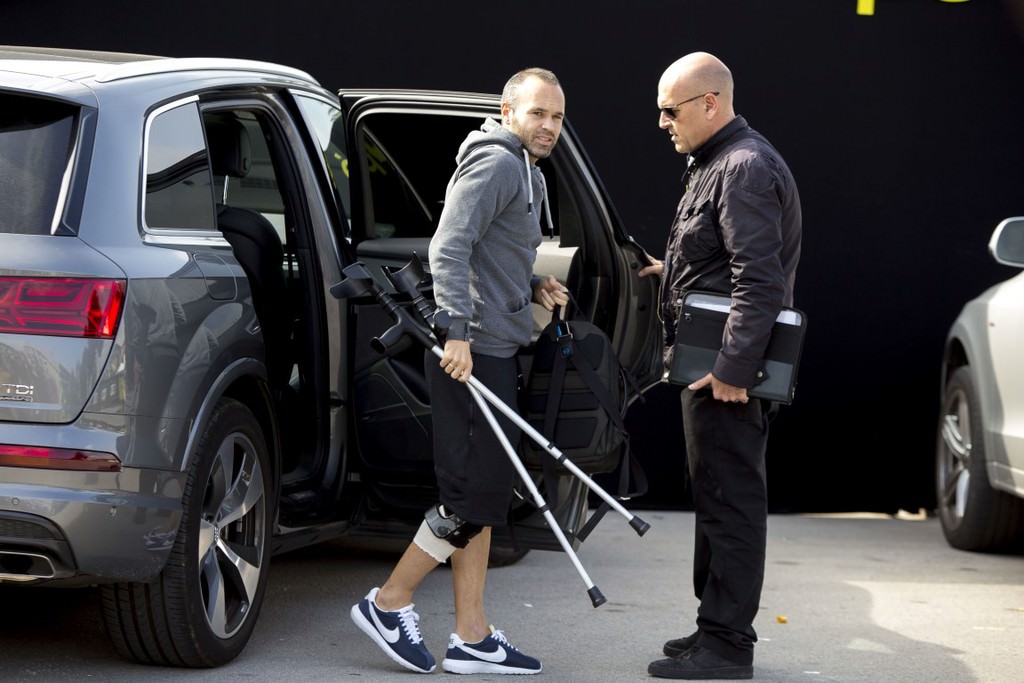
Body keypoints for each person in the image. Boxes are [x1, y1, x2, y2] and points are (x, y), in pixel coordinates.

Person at [349, 67, 569, 676]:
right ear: (507, 110)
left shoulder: (525, 166)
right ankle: (388, 603)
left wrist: (530, 283)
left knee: (483, 496)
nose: (549, 126)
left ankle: (471, 636)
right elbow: (449, 245)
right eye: (538, 114)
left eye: (557, 117)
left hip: (494, 346)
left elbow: (487, 251)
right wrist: (456, 330)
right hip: (470, 353)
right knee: (471, 499)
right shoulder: (495, 163)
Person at [639, 52, 802, 680]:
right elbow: (720, 261)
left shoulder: (744, 167)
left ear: (710, 103)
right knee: (715, 496)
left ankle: (727, 648)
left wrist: (734, 368)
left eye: (669, 109)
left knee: (732, 503)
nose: (661, 122)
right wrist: (666, 271)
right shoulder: (716, 163)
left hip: (726, 376)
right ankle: (715, 627)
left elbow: (759, 281)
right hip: (710, 368)